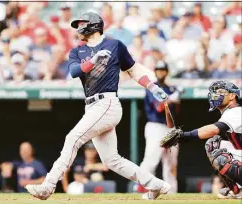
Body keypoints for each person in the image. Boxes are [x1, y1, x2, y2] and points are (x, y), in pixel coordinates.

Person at [25, 12, 170, 201]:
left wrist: (152, 86)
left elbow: (133, 70)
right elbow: (74, 71)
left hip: (107, 103)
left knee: (72, 139)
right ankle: (156, 184)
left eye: (82, 23)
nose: (79, 28)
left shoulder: (114, 45)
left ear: (94, 25)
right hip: (92, 106)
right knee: (112, 160)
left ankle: (48, 185)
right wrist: (93, 61)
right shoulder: (78, 51)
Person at [161, 80, 242, 199]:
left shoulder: (236, 111)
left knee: (219, 154)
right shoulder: (231, 111)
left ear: (232, 95)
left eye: (220, 92)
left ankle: (239, 190)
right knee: (213, 144)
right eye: (215, 92)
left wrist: (185, 135)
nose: (215, 94)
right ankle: (237, 190)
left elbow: (213, 129)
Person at [140, 61, 181, 193]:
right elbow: (159, 108)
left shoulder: (171, 88)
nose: (161, 72)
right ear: (155, 71)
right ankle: (142, 189)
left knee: (171, 164)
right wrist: (172, 98)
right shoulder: (152, 88)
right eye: (158, 70)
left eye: (163, 70)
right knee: (151, 161)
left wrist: (177, 96)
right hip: (155, 126)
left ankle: (171, 193)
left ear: (166, 72)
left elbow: (177, 111)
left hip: (170, 128)